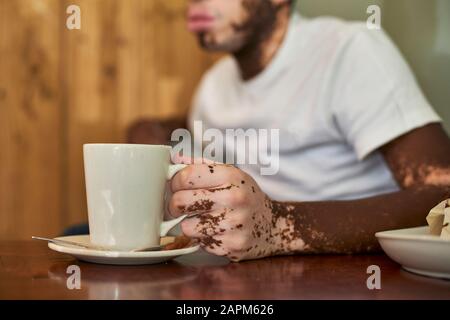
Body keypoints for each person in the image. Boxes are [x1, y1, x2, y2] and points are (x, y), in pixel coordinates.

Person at [164, 0, 450, 262]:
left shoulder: (347, 49)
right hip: (260, 279)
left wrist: (278, 225)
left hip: (365, 277)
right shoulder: (213, 86)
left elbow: (443, 192)